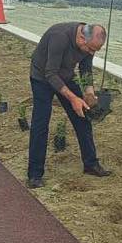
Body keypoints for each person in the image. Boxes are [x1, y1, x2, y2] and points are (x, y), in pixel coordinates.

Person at [27, 22, 112, 188]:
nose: (92, 53)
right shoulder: (59, 36)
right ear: (81, 38)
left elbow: (85, 69)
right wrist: (73, 98)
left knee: (83, 117)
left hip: (65, 76)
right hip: (42, 77)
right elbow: (50, 73)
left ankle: (91, 164)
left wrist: (88, 93)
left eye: (96, 50)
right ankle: (35, 175)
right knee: (41, 124)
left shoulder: (90, 42)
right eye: (91, 49)